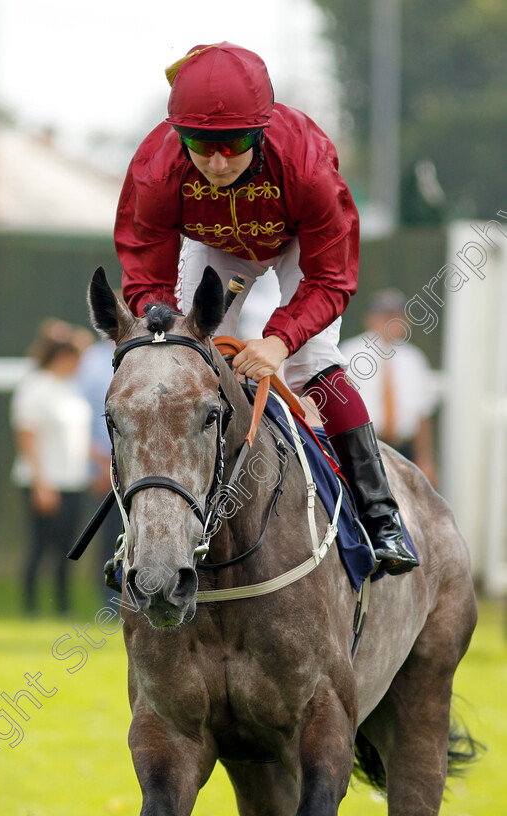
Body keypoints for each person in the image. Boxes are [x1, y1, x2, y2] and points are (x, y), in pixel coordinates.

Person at [114, 42, 417, 575]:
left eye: (232, 144)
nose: (216, 161)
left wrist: (278, 340)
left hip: (298, 242)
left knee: (310, 362)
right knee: (176, 360)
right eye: (200, 144)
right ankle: (141, 535)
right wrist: (160, 325)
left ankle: (380, 515)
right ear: (178, 135)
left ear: (259, 129)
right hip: (216, 246)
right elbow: (144, 270)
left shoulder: (305, 165)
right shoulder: (156, 169)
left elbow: (331, 276)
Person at [11, 319, 93, 614]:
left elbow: (76, 438)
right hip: (45, 481)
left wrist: (101, 462)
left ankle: (61, 608)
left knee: (66, 549)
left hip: (72, 480)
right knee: (40, 547)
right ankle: (30, 608)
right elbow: (27, 438)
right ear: (63, 357)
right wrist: (40, 483)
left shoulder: (70, 388)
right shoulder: (36, 387)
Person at [340, 289, 439, 486]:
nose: (390, 323)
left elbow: (422, 415)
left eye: (396, 317)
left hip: (403, 448)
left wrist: (425, 459)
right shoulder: (349, 354)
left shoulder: (414, 359)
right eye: (385, 316)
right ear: (371, 319)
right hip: (363, 447)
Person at [76, 335, 123, 600]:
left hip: (139, 467)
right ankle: (111, 601)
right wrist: (101, 463)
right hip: (103, 466)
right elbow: (77, 414)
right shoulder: (92, 361)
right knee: (109, 536)